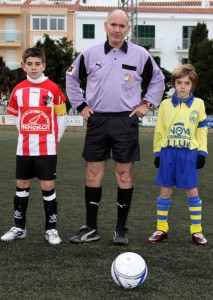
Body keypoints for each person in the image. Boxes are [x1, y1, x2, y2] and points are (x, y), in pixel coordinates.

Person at [66, 9, 165, 245]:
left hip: (125, 120)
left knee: (124, 173)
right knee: (93, 173)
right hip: (97, 119)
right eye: (114, 25)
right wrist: (80, 106)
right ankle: (91, 227)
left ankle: (121, 229)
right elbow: (70, 77)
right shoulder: (90, 53)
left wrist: (146, 104)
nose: (117, 30)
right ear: (105, 26)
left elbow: (158, 80)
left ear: (128, 29)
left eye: (122, 26)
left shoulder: (140, 55)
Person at [1, 47, 67, 245]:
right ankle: (19, 228)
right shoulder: (18, 90)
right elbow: (16, 118)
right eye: (29, 64)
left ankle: (51, 229)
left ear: (44, 65)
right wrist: (24, 134)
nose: (34, 67)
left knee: (47, 186)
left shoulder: (54, 89)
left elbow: (62, 116)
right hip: (24, 148)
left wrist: (55, 140)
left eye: (37, 64)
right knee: (22, 185)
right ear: (23, 66)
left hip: (47, 147)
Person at [148, 64, 208, 246]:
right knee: (165, 191)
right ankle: (161, 228)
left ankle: (196, 230)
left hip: (188, 154)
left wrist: (202, 152)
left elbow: (202, 130)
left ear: (192, 85)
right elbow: (159, 130)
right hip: (168, 153)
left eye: (187, 83)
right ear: (174, 84)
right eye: (179, 82)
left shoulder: (198, 104)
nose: (183, 86)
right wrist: (158, 152)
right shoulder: (165, 105)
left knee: (192, 191)